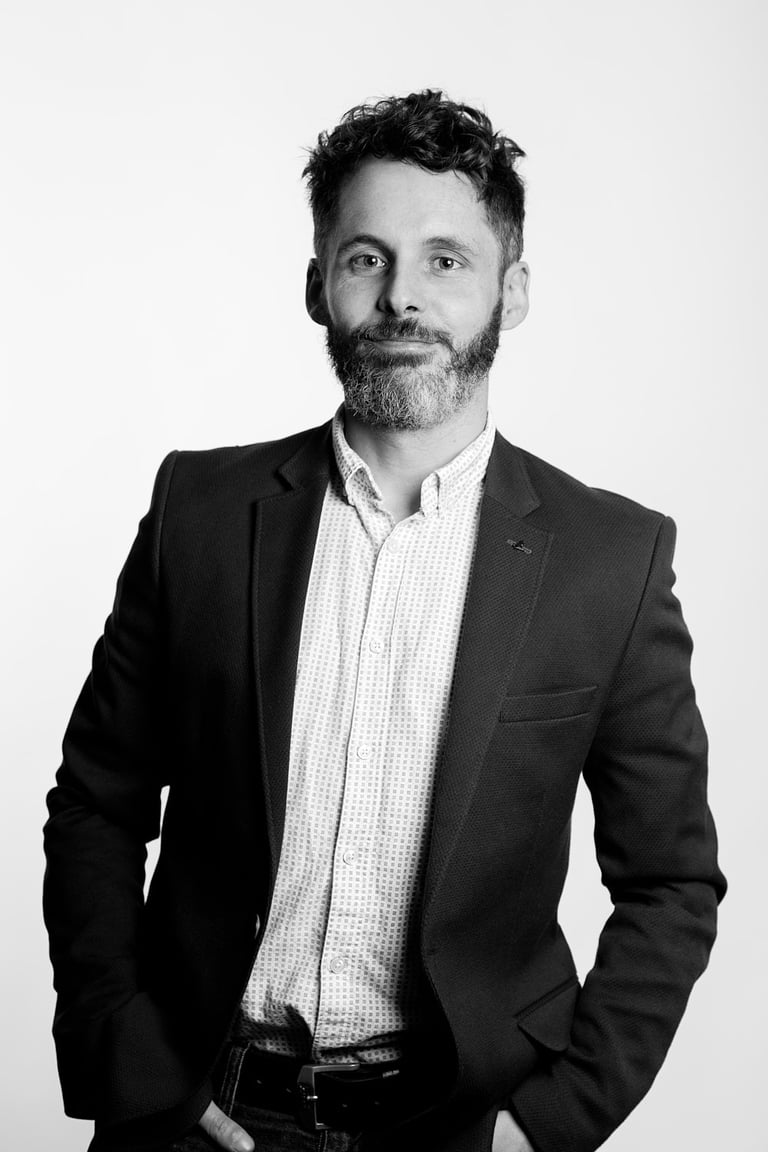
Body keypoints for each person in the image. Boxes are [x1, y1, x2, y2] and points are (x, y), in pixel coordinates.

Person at [43, 90, 726, 1152]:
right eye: (367, 258)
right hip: (196, 1111)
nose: (403, 296)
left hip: (458, 1123)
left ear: (514, 288)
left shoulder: (611, 562)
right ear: (318, 286)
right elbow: (96, 801)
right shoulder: (203, 515)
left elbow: (671, 881)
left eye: (446, 259)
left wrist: (548, 1124)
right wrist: (134, 1062)